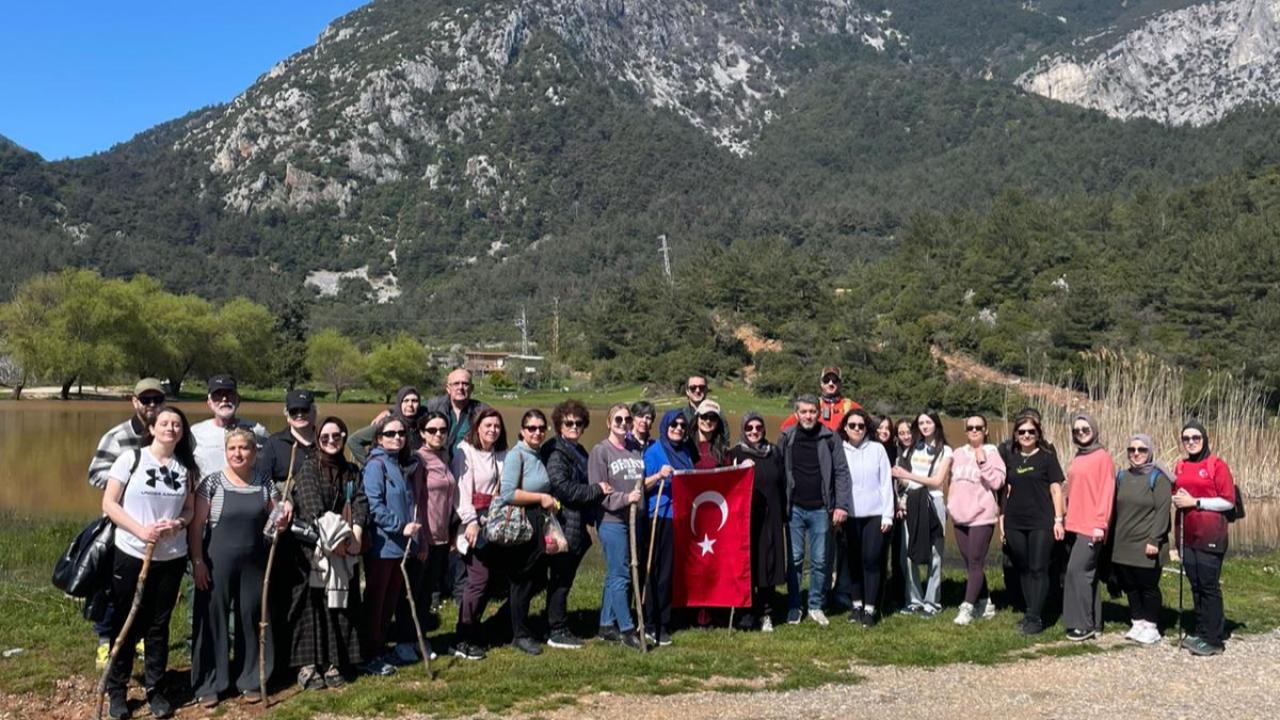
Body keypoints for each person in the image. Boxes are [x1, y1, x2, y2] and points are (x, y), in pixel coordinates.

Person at [100, 406, 197, 720]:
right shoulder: (132, 459)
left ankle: (156, 689)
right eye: (165, 423)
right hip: (131, 552)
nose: (171, 428)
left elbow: (190, 511)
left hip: (170, 557)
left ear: (182, 432)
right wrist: (139, 529)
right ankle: (117, 691)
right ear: (152, 428)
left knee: (158, 626)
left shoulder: (186, 468)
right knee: (126, 622)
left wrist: (178, 525)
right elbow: (109, 504)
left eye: (177, 424)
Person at [189, 429, 283, 707]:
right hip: (216, 563)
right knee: (212, 620)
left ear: (254, 453)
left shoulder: (265, 483)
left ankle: (250, 678)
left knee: (251, 618)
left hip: (254, 563)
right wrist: (198, 562)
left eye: (244, 448)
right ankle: (209, 682)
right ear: (225, 451)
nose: (238, 454)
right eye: (232, 449)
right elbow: (196, 528)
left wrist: (282, 518)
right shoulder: (212, 484)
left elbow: (276, 521)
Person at [87, 377, 167, 667]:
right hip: (120, 524)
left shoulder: (171, 434)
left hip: (157, 528)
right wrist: (125, 487)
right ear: (134, 402)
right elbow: (95, 473)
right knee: (114, 587)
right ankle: (105, 642)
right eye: (145, 400)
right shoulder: (117, 436)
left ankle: (140, 636)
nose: (151, 405)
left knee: (148, 587)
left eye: (157, 400)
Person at [287, 417, 368, 691]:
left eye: (337, 436)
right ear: (318, 439)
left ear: (344, 438)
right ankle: (308, 663)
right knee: (311, 607)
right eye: (325, 437)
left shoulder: (351, 471)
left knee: (340, 606)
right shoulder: (309, 469)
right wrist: (335, 539)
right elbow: (312, 509)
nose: (331, 441)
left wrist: (355, 534)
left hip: (344, 548)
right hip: (312, 549)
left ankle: (336, 660)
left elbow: (359, 502)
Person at [256, 389, 318, 668]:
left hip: (320, 533)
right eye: (295, 412)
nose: (301, 416)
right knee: (286, 596)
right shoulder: (273, 444)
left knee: (316, 596)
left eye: (305, 410)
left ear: (313, 410)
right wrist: (284, 498)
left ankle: (312, 655)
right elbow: (262, 483)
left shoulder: (325, 440)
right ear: (287, 414)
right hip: (287, 534)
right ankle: (282, 659)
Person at [779, 394, 852, 626]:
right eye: (804, 412)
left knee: (821, 561)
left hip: (822, 509)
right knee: (796, 559)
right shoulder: (786, 437)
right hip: (795, 509)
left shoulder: (830, 438)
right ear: (796, 414)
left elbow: (841, 472)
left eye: (812, 411)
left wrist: (841, 505)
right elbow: (776, 468)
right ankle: (793, 605)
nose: (808, 415)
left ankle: (816, 605)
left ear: (818, 413)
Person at [392, 411, 458, 665]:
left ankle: (420, 639)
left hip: (442, 537)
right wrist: (421, 541)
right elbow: (414, 501)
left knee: (427, 593)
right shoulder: (419, 461)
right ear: (421, 433)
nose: (438, 434)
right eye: (432, 430)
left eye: (442, 430)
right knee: (413, 593)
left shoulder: (444, 457)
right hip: (424, 540)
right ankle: (406, 641)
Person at [542, 400, 606, 649]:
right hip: (562, 524)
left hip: (576, 524)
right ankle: (556, 629)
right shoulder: (557, 452)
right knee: (560, 578)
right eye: (568, 423)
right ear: (559, 424)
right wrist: (596, 490)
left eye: (579, 423)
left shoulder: (578, 450)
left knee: (564, 579)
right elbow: (563, 488)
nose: (574, 427)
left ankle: (553, 622)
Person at [360, 415, 420, 676]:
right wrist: (399, 526)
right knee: (376, 602)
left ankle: (380, 647)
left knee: (390, 601)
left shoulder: (400, 464)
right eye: (390, 434)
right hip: (382, 547)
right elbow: (374, 505)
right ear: (379, 438)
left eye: (401, 434)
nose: (396, 438)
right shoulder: (376, 465)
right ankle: (368, 654)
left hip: (400, 547)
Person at [1172, 420, 1237, 656]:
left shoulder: (1216, 465)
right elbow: (1177, 495)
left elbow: (1228, 500)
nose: (1191, 442)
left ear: (1204, 439)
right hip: (1187, 534)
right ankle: (1200, 631)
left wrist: (1195, 502)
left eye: (1195, 438)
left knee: (1209, 586)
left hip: (1211, 533)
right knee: (1196, 584)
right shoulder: (1180, 466)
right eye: (1186, 439)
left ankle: (1214, 639)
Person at [499, 409, 559, 655]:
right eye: (531, 428)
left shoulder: (538, 454)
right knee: (522, 580)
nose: (537, 432)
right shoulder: (517, 455)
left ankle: (509, 623)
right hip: (523, 522)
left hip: (538, 520)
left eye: (541, 428)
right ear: (522, 431)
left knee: (536, 579)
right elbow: (508, 493)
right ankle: (519, 634)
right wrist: (542, 497)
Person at [451, 408, 508, 661]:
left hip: (496, 524)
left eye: (497, 426)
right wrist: (471, 521)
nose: (492, 430)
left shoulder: (503, 454)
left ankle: (475, 629)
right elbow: (461, 492)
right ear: (477, 427)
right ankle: (462, 636)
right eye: (488, 425)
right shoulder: (465, 452)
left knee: (489, 581)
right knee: (478, 579)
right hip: (472, 523)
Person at [1002, 415, 1065, 635]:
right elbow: (1006, 491)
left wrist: (1058, 520)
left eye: (1031, 432)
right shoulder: (1012, 458)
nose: (1026, 435)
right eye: (1022, 432)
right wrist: (1002, 522)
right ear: (1016, 436)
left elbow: (1056, 489)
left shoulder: (1047, 458)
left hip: (1041, 521)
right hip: (1014, 522)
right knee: (1024, 567)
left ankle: (1035, 618)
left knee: (1039, 568)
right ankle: (1031, 610)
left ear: (1038, 434)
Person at [591, 403, 647, 649]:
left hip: (633, 520)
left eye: (627, 420)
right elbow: (599, 492)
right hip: (611, 521)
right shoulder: (600, 451)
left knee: (615, 573)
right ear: (609, 423)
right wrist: (625, 499)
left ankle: (606, 624)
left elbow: (639, 485)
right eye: (618, 420)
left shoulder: (635, 450)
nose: (623, 424)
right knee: (621, 574)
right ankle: (626, 628)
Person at [725, 412, 787, 632]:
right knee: (747, 564)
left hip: (771, 517)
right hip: (745, 521)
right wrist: (737, 468)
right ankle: (746, 612)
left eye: (758, 427)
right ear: (743, 429)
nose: (754, 431)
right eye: (749, 427)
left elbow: (782, 484)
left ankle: (766, 613)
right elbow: (726, 486)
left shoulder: (774, 453)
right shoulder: (735, 453)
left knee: (767, 565)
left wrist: (784, 514)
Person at [1111, 434, 1171, 645]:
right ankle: (1137, 621)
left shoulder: (1158, 478)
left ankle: (1152, 625)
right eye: (1132, 450)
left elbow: (1163, 511)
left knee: (1148, 586)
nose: (1136, 454)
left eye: (1141, 450)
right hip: (1123, 542)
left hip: (1146, 541)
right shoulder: (1122, 476)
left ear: (1150, 452)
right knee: (1130, 585)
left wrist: (1154, 539)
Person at [946, 414, 1006, 625]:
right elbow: (952, 481)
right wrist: (950, 505)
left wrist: (982, 461)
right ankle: (986, 602)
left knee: (975, 562)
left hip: (982, 516)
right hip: (959, 516)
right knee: (971, 564)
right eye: (970, 427)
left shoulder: (992, 452)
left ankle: (967, 607)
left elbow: (998, 482)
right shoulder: (958, 453)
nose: (973, 430)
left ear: (986, 430)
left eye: (978, 427)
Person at [1062, 413, 1116, 641]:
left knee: (1077, 572)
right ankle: (1095, 622)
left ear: (1094, 429)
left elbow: (1106, 492)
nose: (1081, 433)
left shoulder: (1102, 457)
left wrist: (1100, 524)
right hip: (1075, 522)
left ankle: (1083, 624)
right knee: (1087, 575)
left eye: (1085, 429)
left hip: (1092, 525)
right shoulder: (1079, 456)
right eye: (1076, 430)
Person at [893, 411, 952, 617]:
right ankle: (914, 600)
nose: (925, 426)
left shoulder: (946, 451)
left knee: (935, 554)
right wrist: (899, 477)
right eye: (921, 423)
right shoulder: (914, 449)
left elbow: (937, 481)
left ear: (936, 424)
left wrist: (907, 475)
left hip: (933, 501)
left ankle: (932, 602)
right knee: (908, 554)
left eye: (928, 422)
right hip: (912, 501)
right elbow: (908, 482)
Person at [838, 408, 893, 627]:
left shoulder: (877, 449)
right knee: (853, 561)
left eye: (861, 426)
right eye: (852, 425)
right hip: (849, 515)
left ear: (867, 427)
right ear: (845, 427)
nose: (857, 429)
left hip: (874, 514)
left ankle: (870, 609)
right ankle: (856, 605)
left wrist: (887, 515)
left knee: (871, 560)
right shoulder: (840, 449)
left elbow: (886, 483)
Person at [641, 410, 690, 646]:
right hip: (658, 516)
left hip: (679, 518)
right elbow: (642, 486)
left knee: (668, 573)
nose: (678, 428)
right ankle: (651, 622)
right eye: (674, 424)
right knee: (655, 571)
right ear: (665, 426)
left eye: (682, 425)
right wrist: (659, 475)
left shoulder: (686, 452)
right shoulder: (654, 451)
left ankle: (665, 620)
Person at [189, 375, 268, 478]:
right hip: (207, 493)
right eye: (217, 395)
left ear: (238, 400)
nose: (224, 399)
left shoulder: (257, 430)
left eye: (229, 394)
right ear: (209, 403)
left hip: (246, 492)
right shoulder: (195, 432)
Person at [349, 386, 426, 466]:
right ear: (400, 403)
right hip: (389, 471)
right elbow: (354, 441)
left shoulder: (423, 420)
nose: (410, 404)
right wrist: (370, 463)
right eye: (406, 401)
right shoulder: (388, 423)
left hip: (413, 471)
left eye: (414, 401)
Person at [425, 369, 490, 462]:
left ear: (472, 388)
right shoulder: (433, 407)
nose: (460, 387)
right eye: (456, 384)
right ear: (448, 388)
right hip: (438, 466)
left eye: (465, 384)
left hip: (469, 467)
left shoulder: (483, 411)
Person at [780, 367, 862, 432]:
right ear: (821, 384)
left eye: (834, 380)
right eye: (826, 380)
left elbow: (869, 425)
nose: (830, 383)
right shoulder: (812, 405)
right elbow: (785, 427)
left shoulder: (850, 405)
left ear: (840, 384)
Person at [692, 399, 729, 469]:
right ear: (697, 418)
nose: (708, 421)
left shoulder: (722, 450)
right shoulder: (687, 446)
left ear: (718, 422)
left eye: (713, 418)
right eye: (704, 416)